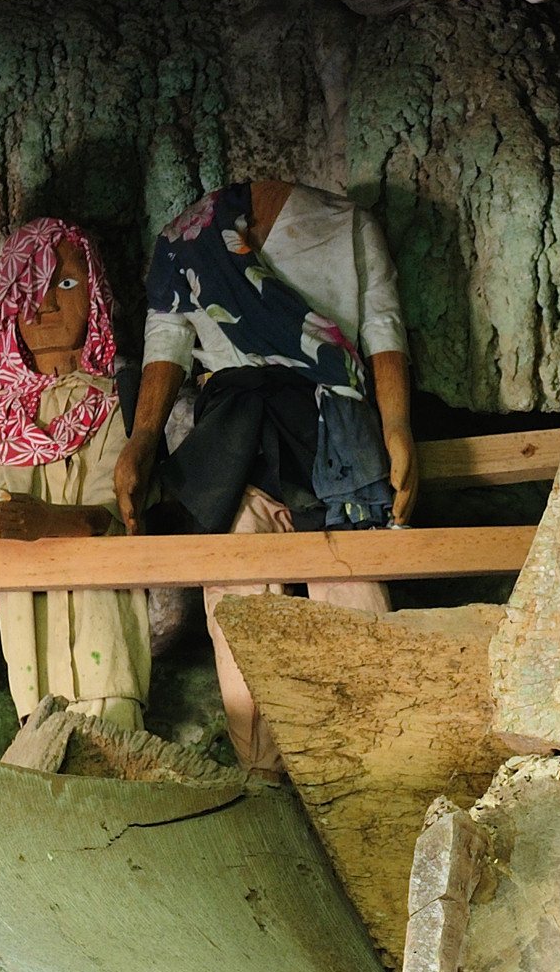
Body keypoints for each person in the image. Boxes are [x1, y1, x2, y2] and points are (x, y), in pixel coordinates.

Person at [115, 176, 417, 769]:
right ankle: (266, 781)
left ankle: (387, 768)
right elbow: (168, 334)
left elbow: (382, 324)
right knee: (240, 602)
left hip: (334, 432)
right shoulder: (185, 239)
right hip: (233, 441)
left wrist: (397, 424)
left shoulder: (347, 222)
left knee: (352, 591)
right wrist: (143, 439)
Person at [0, 217, 149, 733]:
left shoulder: (115, 401)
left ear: (93, 295)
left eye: (64, 283)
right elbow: (0, 500)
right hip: (32, 647)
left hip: (103, 635)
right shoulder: (3, 414)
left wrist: (43, 519)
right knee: (42, 744)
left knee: (115, 746)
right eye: (27, 286)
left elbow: (109, 515)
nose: (43, 302)